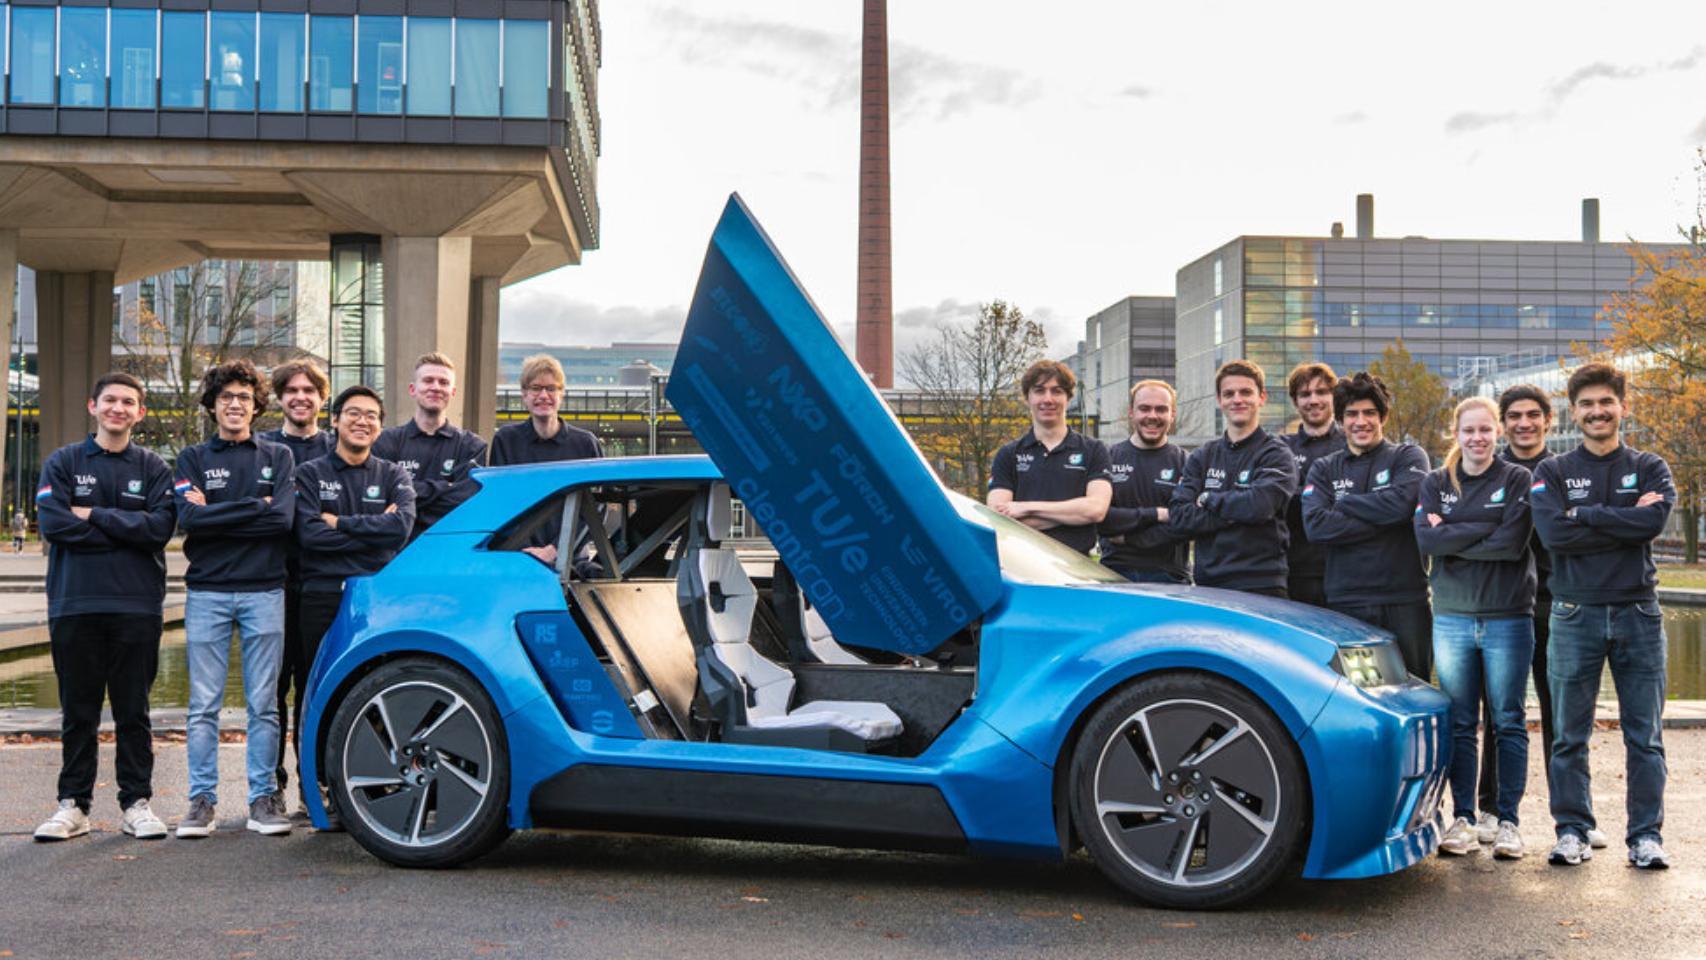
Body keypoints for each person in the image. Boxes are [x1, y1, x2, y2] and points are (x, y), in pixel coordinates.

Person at [1530, 362, 1674, 869]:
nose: (1597, 411)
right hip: (1575, 614)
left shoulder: (1650, 466)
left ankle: (1645, 838)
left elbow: (1651, 524)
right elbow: (1554, 535)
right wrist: (1624, 519)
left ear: (1622, 407)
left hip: (1639, 612)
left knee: (1645, 736)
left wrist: (1585, 514)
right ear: (1574, 412)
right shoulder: (1551, 472)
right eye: (1587, 404)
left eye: (1606, 402)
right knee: (1569, 735)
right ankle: (1572, 831)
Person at [32, 373, 175, 842]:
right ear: (92, 406)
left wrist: (93, 514)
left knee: (134, 711)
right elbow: (55, 525)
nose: (118, 408)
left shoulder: (154, 468)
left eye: (128, 402)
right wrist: (127, 528)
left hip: (137, 606)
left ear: (141, 413)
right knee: (79, 711)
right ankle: (73, 805)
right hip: (75, 604)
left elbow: (158, 531)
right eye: (110, 400)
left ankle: (136, 803)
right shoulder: (64, 462)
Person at [173, 361, 297, 839]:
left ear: (257, 405)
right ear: (212, 405)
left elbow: (281, 520)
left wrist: (219, 512)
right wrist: (255, 507)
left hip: (264, 589)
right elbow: (189, 520)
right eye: (226, 396)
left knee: (263, 704)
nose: (235, 404)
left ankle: (262, 799)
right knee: (202, 705)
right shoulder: (191, 459)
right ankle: (201, 800)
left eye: (244, 396)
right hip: (207, 591)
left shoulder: (278, 457)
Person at [1414, 397, 1536, 860]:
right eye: (1469, 430)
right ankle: (1463, 817)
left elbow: (1511, 544)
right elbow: (1426, 540)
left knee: (1508, 721)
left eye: (1485, 429)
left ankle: (1507, 821)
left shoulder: (1516, 478)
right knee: (1461, 722)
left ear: (1497, 432)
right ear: (1456, 433)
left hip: (1508, 616)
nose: (1477, 438)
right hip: (1452, 618)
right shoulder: (1435, 482)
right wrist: (1484, 526)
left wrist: (1453, 532)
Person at [292, 385, 417, 827]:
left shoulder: (393, 475)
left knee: (378, 691)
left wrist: (340, 522)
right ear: (336, 420)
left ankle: (376, 788)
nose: (362, 421)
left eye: (371, 416)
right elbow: (310, 536)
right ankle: (314, 788)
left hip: (376, 599)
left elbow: (400, 529)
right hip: (321, 595)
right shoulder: (309, 473)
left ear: (379, 427)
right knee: (314, 691)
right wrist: (372, 528)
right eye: (353, 413)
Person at [1300, 372, 1432, 677]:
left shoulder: (1408, 456)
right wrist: (1386, 517)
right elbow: (1316, 526)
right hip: (1347, 602)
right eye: (1352, 414)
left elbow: (1403, 505)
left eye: (1369, 413)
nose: (1361, 421)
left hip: (1405, 600)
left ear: (1383, 416)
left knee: (1415, 685)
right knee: (1355, 692)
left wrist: (1344, 503)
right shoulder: (1324, 468)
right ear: (1340, 420)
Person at [260, 359, 334, 815]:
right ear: (280, 398)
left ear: (322, 399)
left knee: (314, 688)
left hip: (321, 584)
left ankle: (315, 784)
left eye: (309, 391)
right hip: (271, 581)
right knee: (271, 691)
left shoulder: (336, 447)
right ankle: (272, 786)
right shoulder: (262, 448)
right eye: (292, 391)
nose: (301, 397)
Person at [1168, 359, 1297, 596]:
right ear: (1219, 400)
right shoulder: (1202, 456)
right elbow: (1179, 517)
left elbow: (1260, 506)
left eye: (1246, 392)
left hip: (1262, 583)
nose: (1237, 399)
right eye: (1229, 394)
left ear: (1262, 397)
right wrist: (1240, 511)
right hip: (1208, 585)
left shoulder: (1276, 454)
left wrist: (1208, 499)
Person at [988, 360, 1111, 555]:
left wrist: (1025, 508)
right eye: (1039, 391)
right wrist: (1073, 514)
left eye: (1056, 391)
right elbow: (999, 518)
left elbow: (1096, 510)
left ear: (1068, 398)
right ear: (1027, 398)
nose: (1048, 399)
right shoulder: (1008, 454)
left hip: (1077, 566)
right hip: (1022, 563)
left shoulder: (1094, 450)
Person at [489, 355, 603, 564]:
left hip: (573, 561)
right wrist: (525, 550)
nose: (543, 395)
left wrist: (555, 549)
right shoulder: (505, 440)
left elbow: (596, 511)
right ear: (524, 394)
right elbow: (500, 502)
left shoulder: (585, 444)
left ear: (562, 394)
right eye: (535, 388)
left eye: (551, 388)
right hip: (520, 557)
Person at [374, 353, 487, 540]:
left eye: (443, 382)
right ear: (413, 389)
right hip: (397, 549)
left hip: (448, 546)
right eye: (428, 380)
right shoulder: (385, 441)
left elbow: (466, 501)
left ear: (453, 392)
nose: (435, 387)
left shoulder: (472, 446)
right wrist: (445, 487)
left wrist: (405, 499)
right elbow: (380, 496)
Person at [1098, 380, 1189, 583]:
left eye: (1161, 409)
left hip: (1170, 578)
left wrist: (1128, 538)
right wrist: (1157, 514)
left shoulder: (1186, 463)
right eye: (1144, 408)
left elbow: (1185, 524)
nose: (1152, 416)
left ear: (1172, 414)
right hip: (1114, 573)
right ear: (1131, 412)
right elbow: (1101, 519)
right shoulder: (1108, 458)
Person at [1281, 363, 1345, 607]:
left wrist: (1303, 494)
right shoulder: (1280, 448)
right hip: (1294, 572)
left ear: (1334, 397)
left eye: (1321, 392)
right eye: (1305, 394)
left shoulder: (1351, 444)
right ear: (1295, 402)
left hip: (1345, 571)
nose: (1313, 400)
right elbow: (1277, 500)